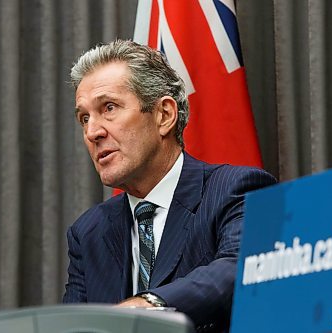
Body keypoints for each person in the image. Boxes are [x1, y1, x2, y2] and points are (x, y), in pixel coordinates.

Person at [62, 39, 276, 332]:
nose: (92, 132)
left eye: (108, 107)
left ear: (164, 115)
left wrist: (145, 306)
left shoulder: (234, 190)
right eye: (84, 118)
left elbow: (238, 268)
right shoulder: (88, 233)